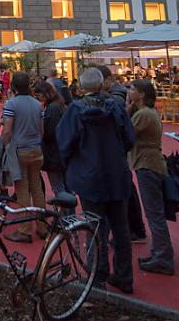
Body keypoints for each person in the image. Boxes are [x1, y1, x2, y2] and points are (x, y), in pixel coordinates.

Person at [57, 67, 136, 293]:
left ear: (82, 88)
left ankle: (97, 275)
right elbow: (129, 138)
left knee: (94, 227)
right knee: (120, 228)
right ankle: (124, 276)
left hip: (89, 174)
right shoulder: (116, 107)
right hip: (116, 172)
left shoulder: (75, 110)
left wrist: (75, 164)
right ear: (101, 85)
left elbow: (65, 143)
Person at [126, 79, 174, 275]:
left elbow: (125, 132)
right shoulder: (148, 112)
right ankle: (159, 252)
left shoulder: (143, 114)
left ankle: (163, 257)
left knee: (154, 213)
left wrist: (127, 110)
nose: (129, 91)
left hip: (147, 164)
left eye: (132, 89)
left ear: (142, 94)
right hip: (150, 162)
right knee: (155, 213)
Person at [1, 72, 46, 243]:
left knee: (22, 189)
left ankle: (25, 229)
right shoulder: (37, 104)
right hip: (36, 149)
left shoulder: (11, 104)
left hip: (19, 149)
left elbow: (7, 130)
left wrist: (7, 146)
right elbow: (41, 129)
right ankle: (42, 226)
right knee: (37, 188)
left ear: (13, 86)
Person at [34, 81, 68, 197]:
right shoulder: (58, 105)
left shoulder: (52, 108)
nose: (38, 99)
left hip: (54, 153)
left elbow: (50, 133)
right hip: (60, 152)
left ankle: (64, 207)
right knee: (64, 185)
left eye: (39, 96)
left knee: (58, 186)